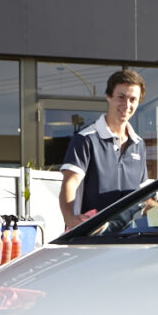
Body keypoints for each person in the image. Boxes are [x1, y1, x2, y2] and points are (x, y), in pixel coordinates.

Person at [59, 69, 149, 229]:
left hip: (128, 238)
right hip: (90, 238)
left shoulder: (139, 144)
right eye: (121, 97)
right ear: (109, 96)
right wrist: (70, 220)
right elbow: (70, 184)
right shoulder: (86, 139)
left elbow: (141, 195)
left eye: (133, 99)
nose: (127, 105)